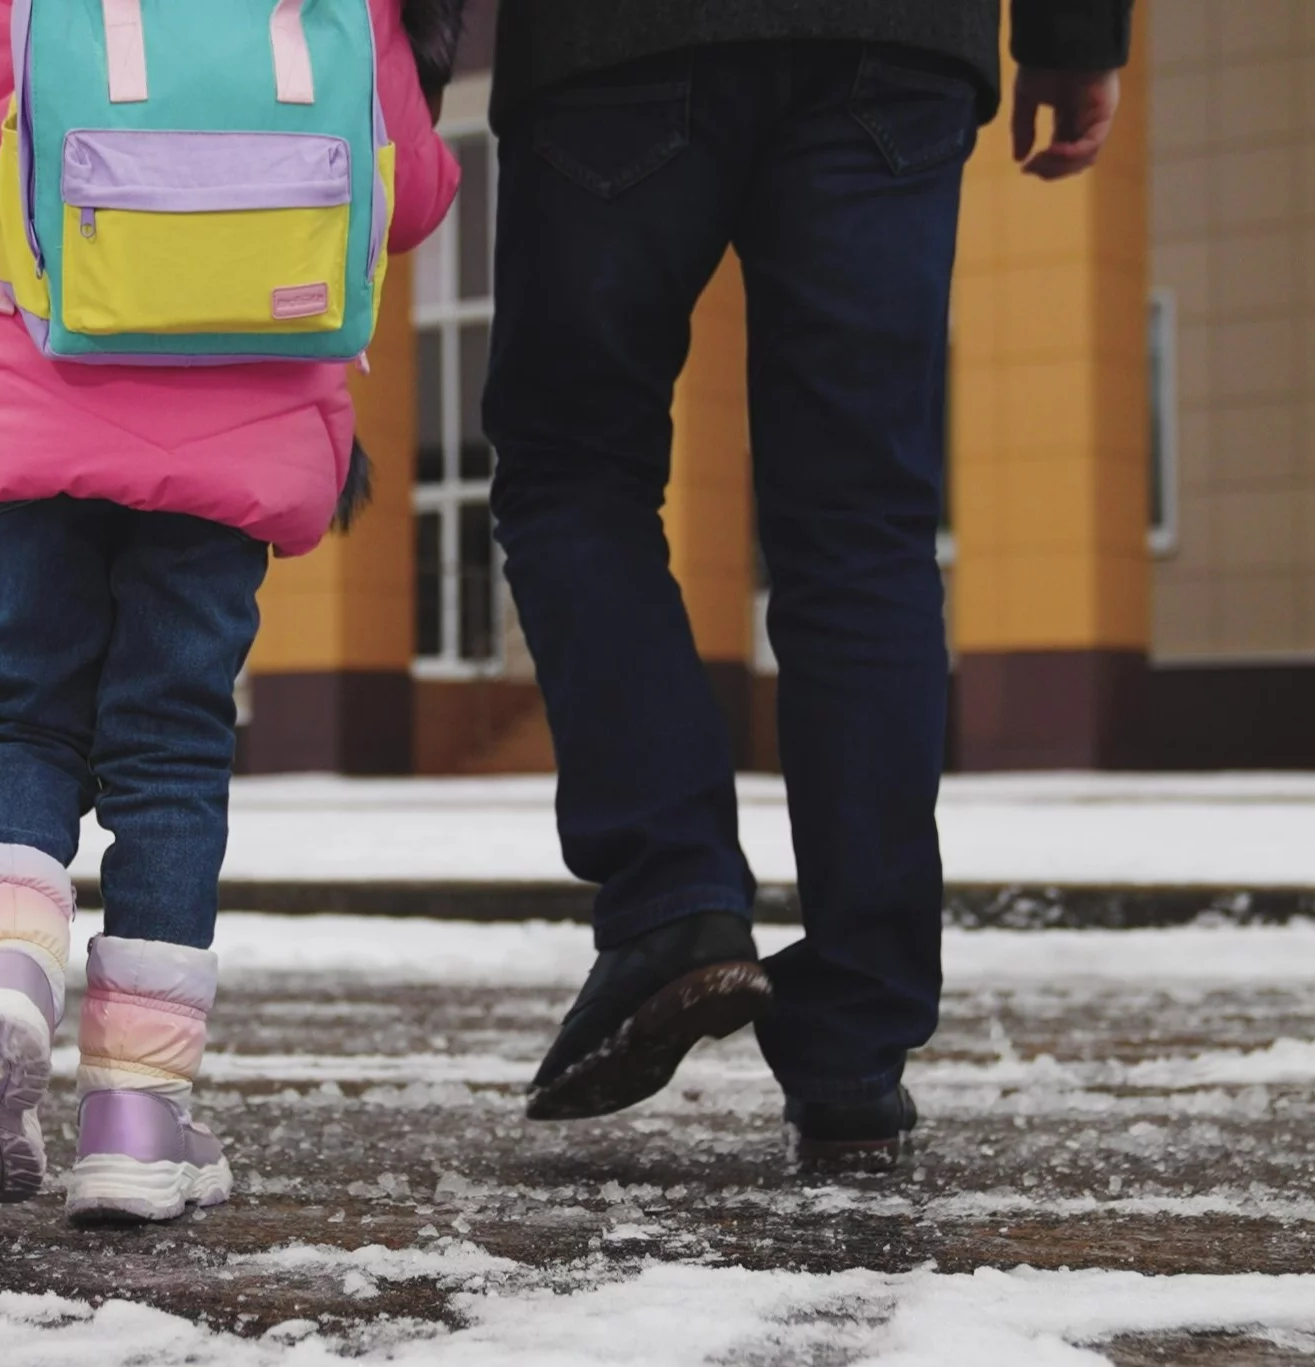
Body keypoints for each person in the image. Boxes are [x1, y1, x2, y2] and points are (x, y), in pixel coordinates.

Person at [0, 0, 461, 1222]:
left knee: (25, 715)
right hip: (238, 403)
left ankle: (0, 974)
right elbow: (405, 192)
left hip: (18, 376)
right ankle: (137, 1123)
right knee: (172, 750)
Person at [485, 1, 1132, 1162]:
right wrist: (1074, 34)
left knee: (573, 468)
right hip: (892, 43)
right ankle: (854, 1039)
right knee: (862, 526)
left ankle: (674, 893)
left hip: (614, 50)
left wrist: (392, 53)